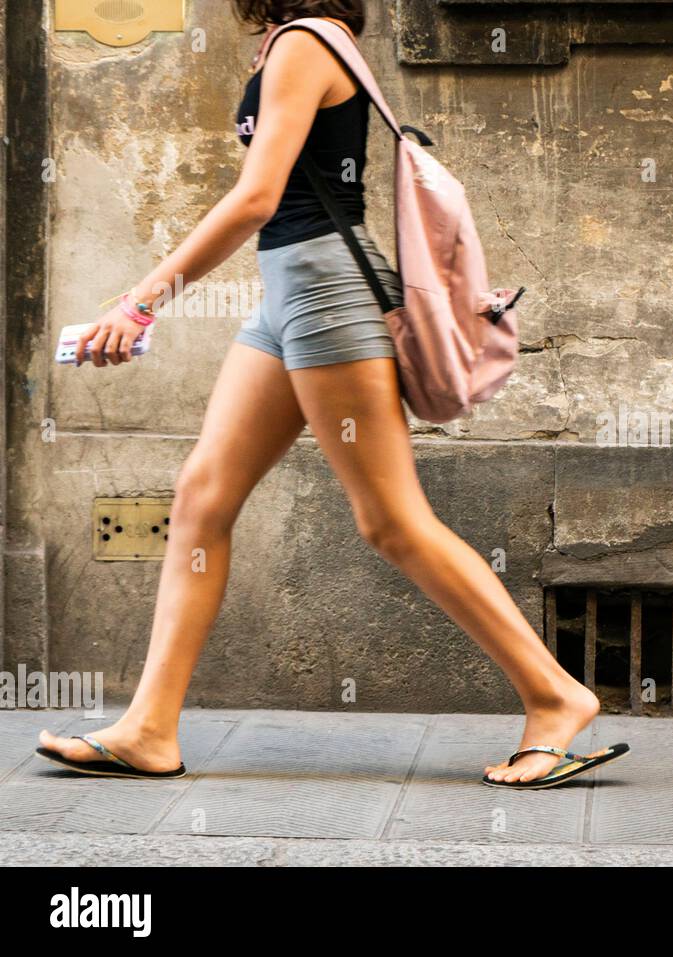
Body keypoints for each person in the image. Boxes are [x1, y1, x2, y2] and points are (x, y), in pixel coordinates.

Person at [36, 0, 625, 790]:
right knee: (203, 495)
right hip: (288, 298)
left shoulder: (308, 44)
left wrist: (141, 302)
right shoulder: (295, 43)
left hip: (326, 294)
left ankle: (555, 694)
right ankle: (148, 728)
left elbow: (256, 198)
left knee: (391, 520)